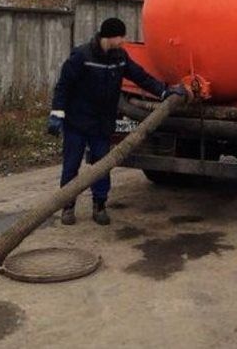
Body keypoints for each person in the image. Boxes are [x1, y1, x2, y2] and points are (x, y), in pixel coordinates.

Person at [47, 17, 187, 225]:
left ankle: (100, 206)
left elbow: (140, 77)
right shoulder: (82, 56)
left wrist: (164, 92)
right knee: (71, 166)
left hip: (102, 123)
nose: (123, 40)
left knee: (102, 166)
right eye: (121, 36)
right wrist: (57, 113)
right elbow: (63, 86)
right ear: (109, 36)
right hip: (78, 122)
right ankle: (68, 207)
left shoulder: (120, 57)